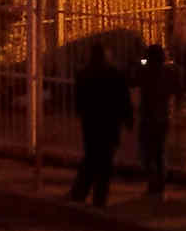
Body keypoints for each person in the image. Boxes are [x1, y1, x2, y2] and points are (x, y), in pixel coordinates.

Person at [70, 45, 131, 206]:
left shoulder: (84, 74)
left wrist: (80, 114)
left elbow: (78, 100)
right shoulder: (115, 75)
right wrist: (127, 119)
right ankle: (98, 197)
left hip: (91, 123)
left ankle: (79, 192)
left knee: (91, 158)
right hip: (109, 124)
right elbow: (123, 99)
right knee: (104, 163)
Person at [133, 44, 180, 195]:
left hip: (148, 117)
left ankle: (153, 181)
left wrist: (139, 64)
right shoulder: (169, 73)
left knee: (147, 152)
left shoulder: (145, 72)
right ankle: (160, 182)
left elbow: (132, 80)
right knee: (159, 151)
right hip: (162, 117)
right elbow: (177, 88)